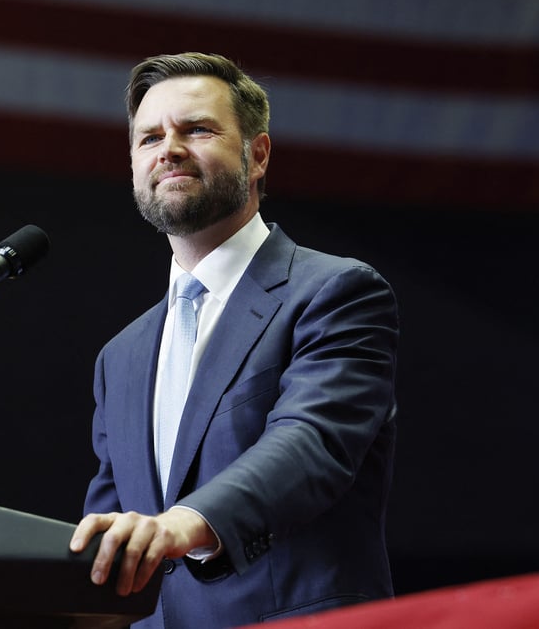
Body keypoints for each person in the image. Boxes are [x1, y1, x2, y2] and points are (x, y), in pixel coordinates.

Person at [69, 52, 399, 628]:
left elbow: (310, 443)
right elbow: (110, 538)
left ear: (258, 156)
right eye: (149, 138)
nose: (168, 148)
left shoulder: (336, 292)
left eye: (196, 129)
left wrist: (180, 523)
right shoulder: (118, 358)